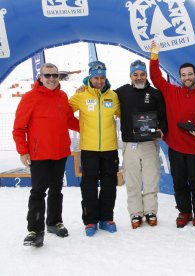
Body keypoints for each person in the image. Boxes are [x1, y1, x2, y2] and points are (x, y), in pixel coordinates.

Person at [13, 63, 79, 247]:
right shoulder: (30, 98)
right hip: (39, 154)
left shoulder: (62, 96)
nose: (51, 79)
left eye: (55, 75)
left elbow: (69, 120)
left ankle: (54, 222)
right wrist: (23, 151)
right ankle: (35, 230)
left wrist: (91, 127)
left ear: (59, 77)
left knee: (56, 190)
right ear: (40, 78)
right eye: (47, 75)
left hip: (60, 152)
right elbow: (19, 128)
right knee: (38, 192)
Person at [149, 41, 195, 228]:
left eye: (190, 74)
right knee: (179, 182)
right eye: (183, 75)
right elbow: (155, 76)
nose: (187, 77)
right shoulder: (170, 91)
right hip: (175, 147)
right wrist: (154, 54)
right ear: (180, 77)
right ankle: (184, 212)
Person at [69, 61, 121, 237]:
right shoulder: (80, 95)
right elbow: (65, 112)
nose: (99, 81)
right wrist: (79, 127)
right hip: (89, 149)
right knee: (89, 185)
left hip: (109, 148)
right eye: (96, 77)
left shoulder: (113, 96)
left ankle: (107, 218)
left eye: (102, 77)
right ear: (90, 77)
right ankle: (90, 220)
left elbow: (125, 114)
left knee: (109, 184)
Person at [116, 60, 167, 228]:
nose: (139, 77)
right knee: (132, 181)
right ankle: (136, 212)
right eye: (135, 74)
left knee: (151, 179)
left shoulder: (155, 93)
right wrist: (84, 87)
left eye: (142, 74)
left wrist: (162, 130)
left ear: (146, 75)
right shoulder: (121, 92)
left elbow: (163, 117)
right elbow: (102, 94)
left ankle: (151, 211)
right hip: (130, 144)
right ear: (130, 76)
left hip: (149, 143)